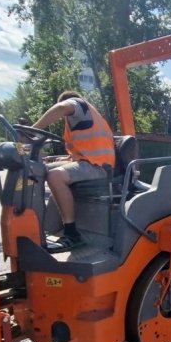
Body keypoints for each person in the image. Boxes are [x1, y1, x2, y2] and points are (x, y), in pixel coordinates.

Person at [31, 91, 115, 253]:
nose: (65, 117)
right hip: (88, 163)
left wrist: (31, 130)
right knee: (42, 169)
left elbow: (62, 107)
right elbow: (81, 152)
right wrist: (56, 161)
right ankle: (45, 225)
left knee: (55, 177)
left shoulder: (78, 105)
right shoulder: (84, 119)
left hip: (99, 168)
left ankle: (71, 232)